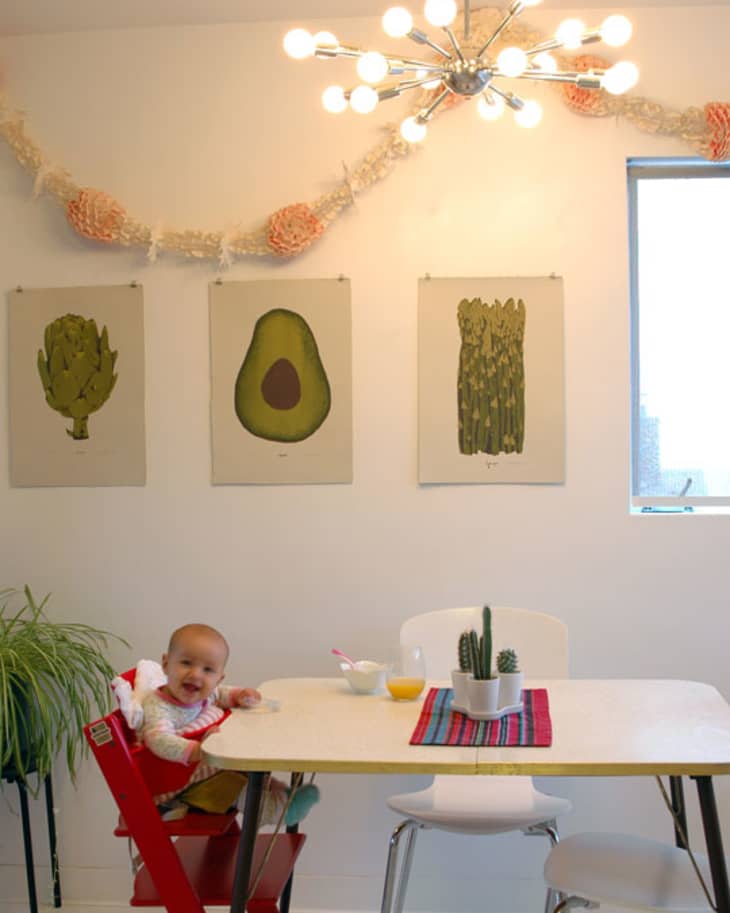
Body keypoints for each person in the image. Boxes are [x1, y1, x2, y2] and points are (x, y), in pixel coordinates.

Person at [141, 622, 319, 824]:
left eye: (208, 669)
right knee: (236, 786)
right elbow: (159, 740)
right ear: (165, 664)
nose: (196, 674)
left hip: (207, 772)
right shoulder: (159, 707)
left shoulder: (205, 693)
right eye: (186, 663)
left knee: (251, 771)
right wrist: (200, 750)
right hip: (186, 787)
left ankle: (282, 794)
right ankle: (279, 812)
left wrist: (240, 696)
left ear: (219, 678)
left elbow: (222, 694)